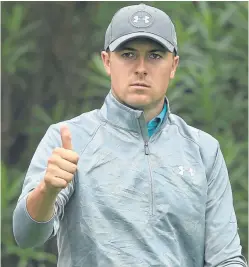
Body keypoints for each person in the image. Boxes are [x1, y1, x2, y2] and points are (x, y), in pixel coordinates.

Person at [13, 3, 247, 267]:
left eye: (155, 55)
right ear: (107, 61)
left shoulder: (204, 150)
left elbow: (226, 258)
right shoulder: (68, 138)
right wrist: (47, 190)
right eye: (128, 54)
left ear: (174, 65)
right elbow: (26, 235)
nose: (141, 68)